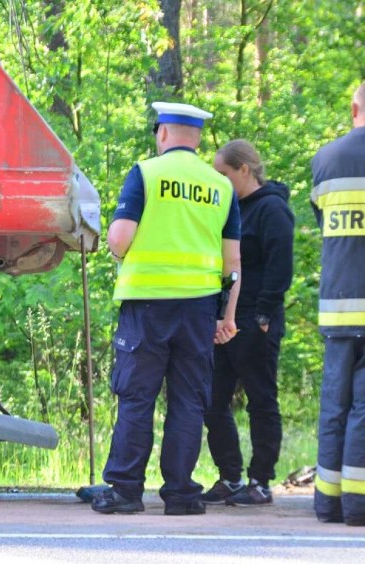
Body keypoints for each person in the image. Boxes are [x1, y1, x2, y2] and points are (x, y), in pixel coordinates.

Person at [92, 102, 241, 516]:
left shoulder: (146, 173)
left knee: (137, 397)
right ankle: (181, 495)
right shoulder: (220, 186)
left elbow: (120, 240)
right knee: (189, 402)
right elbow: (233, 263)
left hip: (147, 305)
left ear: (162, 133)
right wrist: (226, 317)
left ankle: (124, 491)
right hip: (197, 310)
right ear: (197, 139)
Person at [201, 140, 294, 506]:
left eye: (223, 173)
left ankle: (260, 480)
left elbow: (280, 266)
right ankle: (230, 476)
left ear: (244, 170)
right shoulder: (226, 211)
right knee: (212, 400)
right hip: (223, 320)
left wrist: (264, 315)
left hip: (257, 320)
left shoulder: (271, 210)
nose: (218, 180)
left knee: (261, 400)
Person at [310, 80, 365, 527]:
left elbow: (323, 221)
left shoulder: (325, 160)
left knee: (334, 405)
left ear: (354, 108)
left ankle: (326, 502)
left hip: (337, 307)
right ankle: (358, 505)